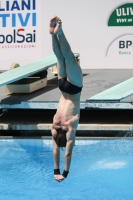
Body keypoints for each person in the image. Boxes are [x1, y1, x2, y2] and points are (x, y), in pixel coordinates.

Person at [50, 16, 83, 182]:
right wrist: (55, 170)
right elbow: (55, 149)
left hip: (75, 89)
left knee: (69, 57)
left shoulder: (70, 128)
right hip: (62, 88)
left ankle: (60, 33)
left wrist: (65, 173)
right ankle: (52, 34)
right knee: (60, 57)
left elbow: (67, 152)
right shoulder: (54, 128)